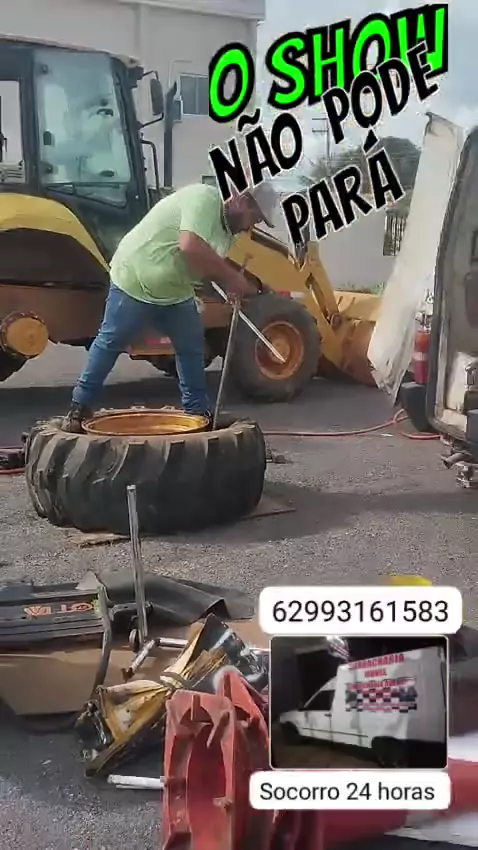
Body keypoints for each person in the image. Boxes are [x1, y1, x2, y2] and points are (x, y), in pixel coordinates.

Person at [62, 181, 278, 433]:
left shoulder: (229, 234)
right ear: (241, 200)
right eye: (255, 217)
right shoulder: (204, 199)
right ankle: (79, 408)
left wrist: (227, 285)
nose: (252, 226)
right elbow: (190, 245)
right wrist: (231, 278)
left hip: (175, 292)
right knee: (111, 342)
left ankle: (197, 413)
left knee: (191, 348)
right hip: (135, 280)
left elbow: (204, 263)